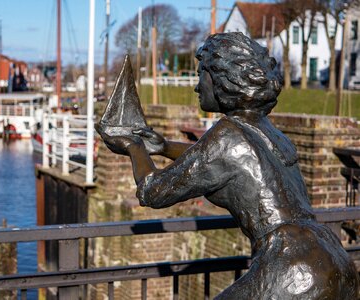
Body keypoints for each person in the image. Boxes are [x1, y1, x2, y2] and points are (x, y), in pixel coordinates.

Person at [97, 32, 359, 299]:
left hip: (293, 265)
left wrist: (133, 147)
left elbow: (152, 190)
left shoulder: (226, 134)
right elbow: (226, 160)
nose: (197, 86)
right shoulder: (269, 132)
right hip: (333, 256)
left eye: (201, 75)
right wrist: (163, 146)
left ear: (222, 79)